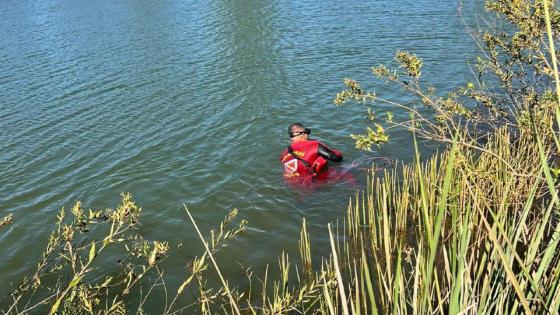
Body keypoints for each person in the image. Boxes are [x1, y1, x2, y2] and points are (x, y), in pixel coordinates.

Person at [280, 123, 344, 182]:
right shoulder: (315, 145)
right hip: (312, 185)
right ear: (304, 134)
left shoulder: (285, 151)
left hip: (290, 183)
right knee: (347, 172)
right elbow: (337, 158)